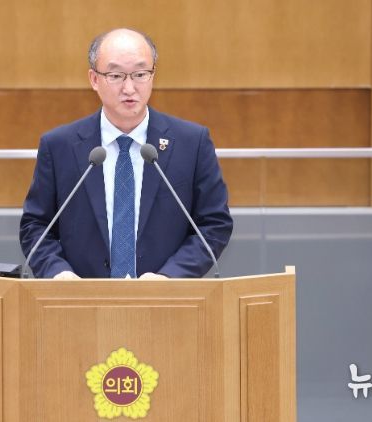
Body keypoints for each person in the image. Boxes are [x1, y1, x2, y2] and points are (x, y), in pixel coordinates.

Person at [20, 28, 233, 279]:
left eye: (140, 74)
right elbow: (36, 226)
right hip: (80, 297)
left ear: (153, 76)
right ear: (94, 79)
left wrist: (170, 277)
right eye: (116, 75)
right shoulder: (59, 146)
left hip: (165, 298)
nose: (129, 88)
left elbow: (213, 224)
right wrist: (58, 273)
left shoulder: (192, 143)